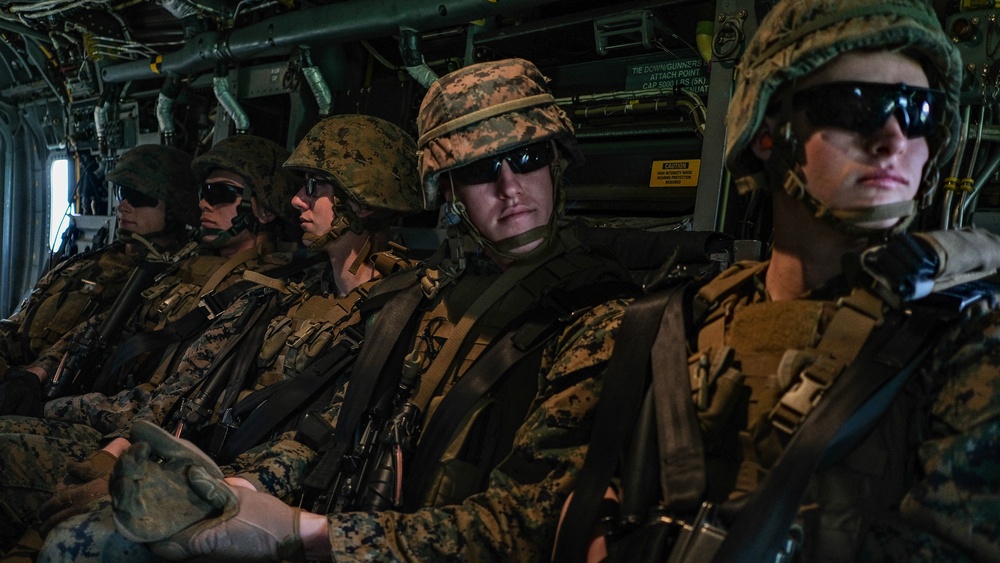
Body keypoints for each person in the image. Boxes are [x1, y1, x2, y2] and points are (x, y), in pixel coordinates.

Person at [100, 57, 640, 562]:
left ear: (556, 163)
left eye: (527, 158)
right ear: (448, 189)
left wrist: (310, 531)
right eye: (480, 170)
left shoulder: (599, 317)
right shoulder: (432, 298)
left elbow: (533, 521)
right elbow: (338, 424)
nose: (509, 188)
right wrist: (245, 489)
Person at [553, 1, 1000, 561]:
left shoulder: (973, 345)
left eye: (920, 111)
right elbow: (531, 506)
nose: (892, 139)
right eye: (856, 105)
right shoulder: (660, 327)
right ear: (768, 133)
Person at [0, 133, 302, 554]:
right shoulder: (179, 264)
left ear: (265, 208)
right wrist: (38, 373)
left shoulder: (266, 289)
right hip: (104, 415)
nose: (204, 204)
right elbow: (99, 329)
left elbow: (177, 396)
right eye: (202, 193)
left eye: (220, 194)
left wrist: (58, 408)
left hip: (143, 439)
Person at [0, 144, 198, 396]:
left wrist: (33, 376)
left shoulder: (164, 282)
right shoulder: (91, 260)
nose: (123, 206)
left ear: (175, 208)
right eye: (121, 193)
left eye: (137, 197)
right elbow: (21, 322)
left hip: (49, 387)